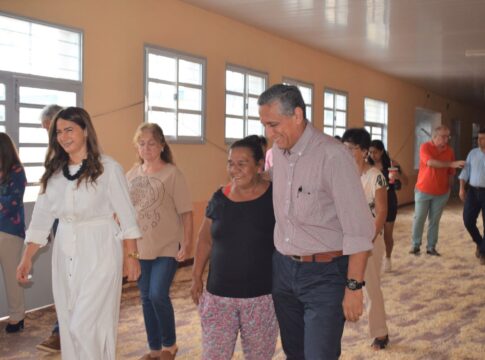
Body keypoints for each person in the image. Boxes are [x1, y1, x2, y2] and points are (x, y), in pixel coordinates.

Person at [258, 84, 374, 359]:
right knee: (295, 353)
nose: (269, 134)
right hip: (284, 271)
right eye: (264, 125)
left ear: (297, 115)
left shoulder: (333, 156)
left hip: (324, 276)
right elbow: (275, 181)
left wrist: (354, 287)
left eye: (273, 124)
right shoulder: (281, 153)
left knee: (319, 355)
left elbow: (358, 230)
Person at [16, 107, 142, 359]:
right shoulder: (53, 174)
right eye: (59, 132)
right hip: (65, 252)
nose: (63, 136)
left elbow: (126, 215)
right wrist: (26, 256)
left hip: (101, 250)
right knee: (70, 318)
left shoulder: (109, 168)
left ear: (85, 130)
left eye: (69, 130)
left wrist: (131, 257)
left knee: (83, 325)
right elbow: (41, 218)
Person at [190, 136, 278, 360]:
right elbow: (205, 239)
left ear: (260, 166)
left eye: (242, 163)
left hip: (261, 298)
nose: (234, 169)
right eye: (230, 163)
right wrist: (196, 275)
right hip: (218, 297)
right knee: (213, 355)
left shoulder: (274, 197)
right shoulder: (220, 197)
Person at [126, 123, 193, 360]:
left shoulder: (172, 173)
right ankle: (154, 349)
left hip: (167, 247)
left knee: (157, 294)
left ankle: (170, 345)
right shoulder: (131, 175)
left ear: (162, 146)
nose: (146, 148)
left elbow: (186, 212)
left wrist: (186, 243)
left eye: (152, 143)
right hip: (141, 248)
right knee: (145, 298)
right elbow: (125, 212)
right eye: (142, 143)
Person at [342, 129, 390, 350]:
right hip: (344, 239)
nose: (345, 152)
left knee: (371, 286)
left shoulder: (375, 176)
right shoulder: (342, 174)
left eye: (350, 148)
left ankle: (380, 333)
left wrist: (367, 238)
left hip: (368, 241)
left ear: (362, 151)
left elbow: (381, 212)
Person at [410, 125, 465, 256]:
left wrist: (450, 186)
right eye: (443, 136)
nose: (446, 139)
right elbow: (430, 163)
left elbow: (451, 172)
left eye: (448, 136)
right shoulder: (425, 147)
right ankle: (415, 245)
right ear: (434, 137)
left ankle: (431, 247)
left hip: (441, 193)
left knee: (434, 220)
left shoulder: (449, 151)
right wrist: (451, 164)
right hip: (423, 190)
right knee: (419, 218)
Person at [36, 104, 63, 353]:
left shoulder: (84, 154)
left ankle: (60, 332)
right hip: (59, 223)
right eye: (46, 129)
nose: (50, 133)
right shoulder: (51, 154)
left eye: (50, 127)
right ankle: (61, 330)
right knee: (65, 279)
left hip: (81, 226)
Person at [0, 133, 27, 333]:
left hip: (9, 233)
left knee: (12, 277)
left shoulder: (16, 172)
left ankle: (17, 318)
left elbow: (11, 203)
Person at [369, 139, 408, 272]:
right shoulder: (368, 165)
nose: (372, 155)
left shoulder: (392, 164)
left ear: (381, 151)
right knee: (374, 233)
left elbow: (406, 181)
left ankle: (388, 258)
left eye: (375, 152)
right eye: (370, 152)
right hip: (372, 201)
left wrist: (398, 176)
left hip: (389, 200)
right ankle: (373, 259)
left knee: (387, 234)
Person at [459, 128, 485, 265]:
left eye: (483, 138)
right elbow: (465, 172)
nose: (480, 141)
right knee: (468, 220)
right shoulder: (472, 154)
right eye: (478, 138)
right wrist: (462, 188)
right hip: (473, 192)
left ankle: (483, 252)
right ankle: (481, 244)